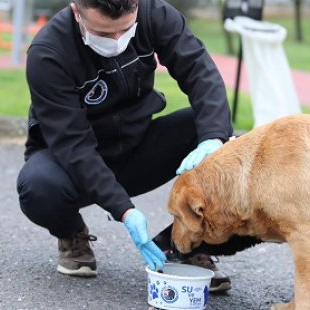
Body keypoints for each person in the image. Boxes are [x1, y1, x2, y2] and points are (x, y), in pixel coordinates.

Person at [16, 0, 233, 292]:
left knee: (223, 141)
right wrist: (125, 211)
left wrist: (213, 140)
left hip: (138, 147)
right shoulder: (48, 53)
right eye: (104, 34)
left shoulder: (153, 12)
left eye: (125, 30)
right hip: (74, 164)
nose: (117, 42)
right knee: (37, 187)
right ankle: (71, 233)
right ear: (76, 11)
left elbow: (199, 71)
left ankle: (185, 242)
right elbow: (74, 146)